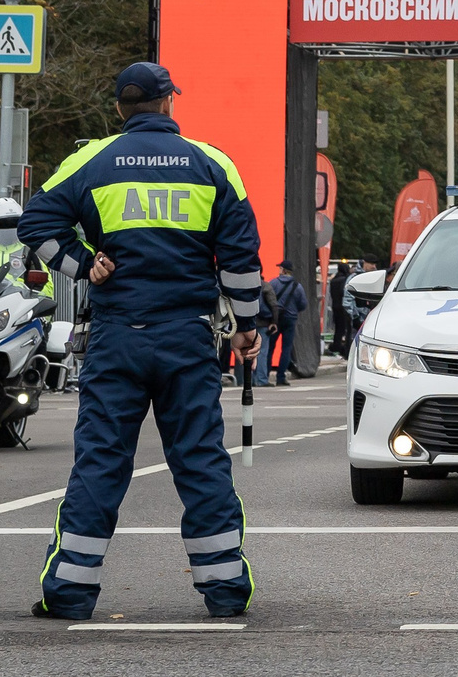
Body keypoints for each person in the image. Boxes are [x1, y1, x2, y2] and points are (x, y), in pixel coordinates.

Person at [20, 61, 261, 621]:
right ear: (170, 102)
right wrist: (247, 325)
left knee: (101, 462)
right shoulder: (212, 163)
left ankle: (70, 592)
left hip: (116, 337)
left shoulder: (91, 160)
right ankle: (225, 589)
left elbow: (35, 224)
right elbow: (240, 257)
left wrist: (84, 264)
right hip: (187, 337)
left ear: (119, 109)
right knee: (200, 460)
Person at [260, 262, 305, 385]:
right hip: (290, 319)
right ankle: (281, 377)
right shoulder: (297, 286)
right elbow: (303, 304)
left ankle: (265, 375)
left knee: (270, 347)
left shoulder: (273, 283)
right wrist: (293, 310)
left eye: (280, 268)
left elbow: (267, 299)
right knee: (286, 348)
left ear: (284, 270)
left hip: (275, 319)